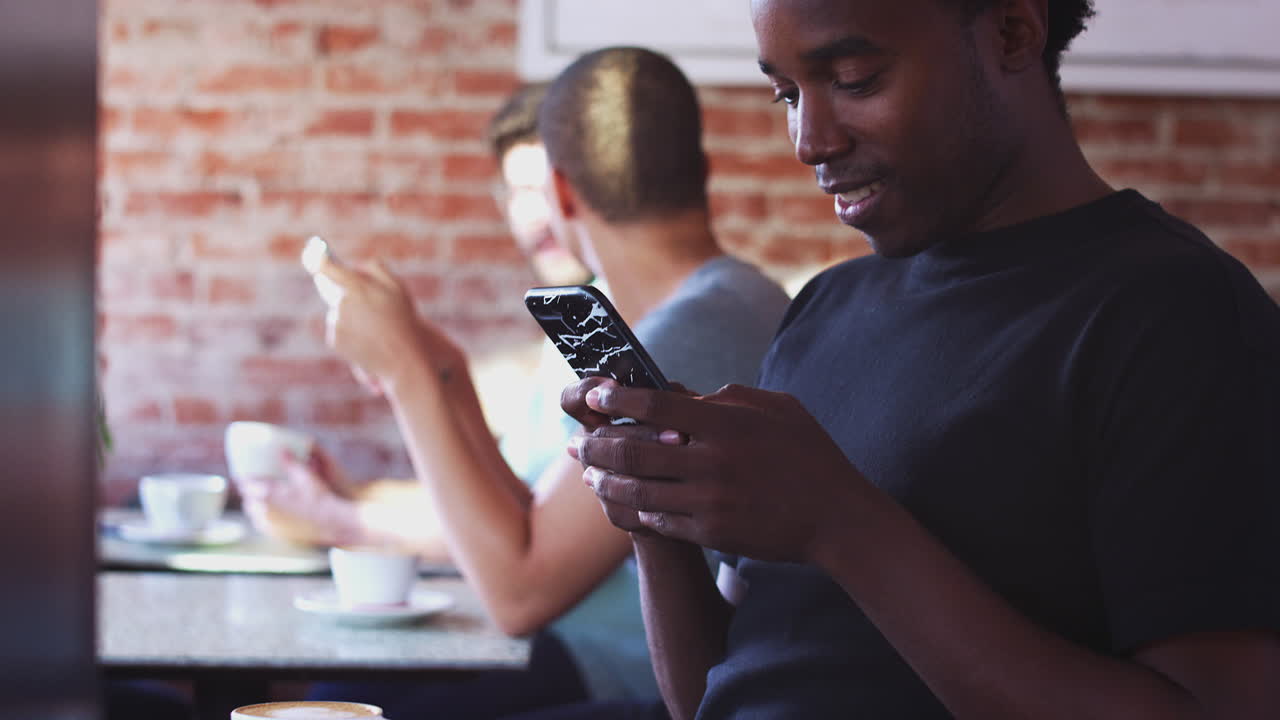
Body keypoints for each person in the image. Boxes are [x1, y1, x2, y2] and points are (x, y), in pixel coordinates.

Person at [562, 1, 1280, 718]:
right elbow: (722, 696)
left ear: (1011, 32)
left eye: (854, 78)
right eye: (787, 94)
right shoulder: (825, 310)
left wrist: (842, 522)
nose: (810, 140)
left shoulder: (1176, 315)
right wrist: (653, 519)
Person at [276, 49, 791, 719]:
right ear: (701, 169)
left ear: (560, 192)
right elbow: (529, 518)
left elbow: (518, 594)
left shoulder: (694, 330)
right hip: (637, 657)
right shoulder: (690, 302)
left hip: (664, 677)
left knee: (350, 705)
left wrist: (407, 376)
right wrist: (444, 372)